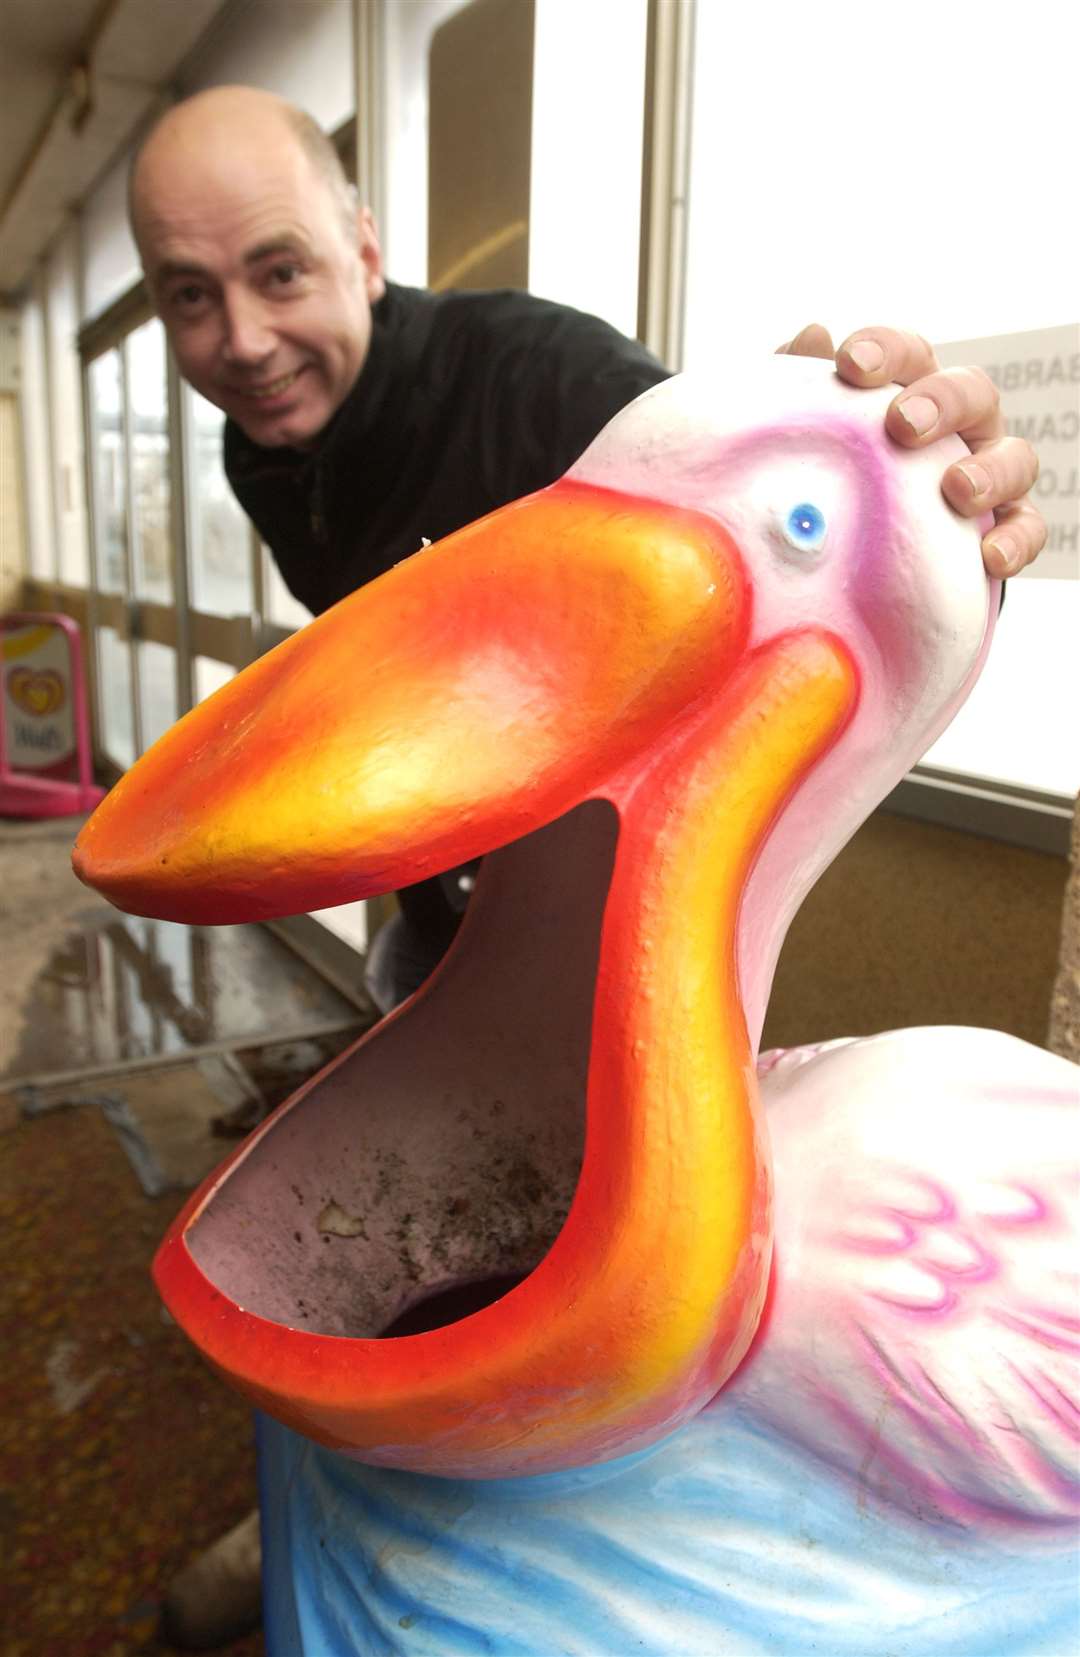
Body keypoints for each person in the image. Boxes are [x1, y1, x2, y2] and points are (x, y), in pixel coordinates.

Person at [127, 84, 1046, 1648]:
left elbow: (782, 519)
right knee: (381, 1197)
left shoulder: (531, 377)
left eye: (278, 272)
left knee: (609, 1251)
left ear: (362, 245)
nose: (243, 338)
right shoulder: (259, 445)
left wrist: (899, 462)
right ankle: (317, 1503)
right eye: (188, 298)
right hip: (459, 912)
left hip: (638, 922)